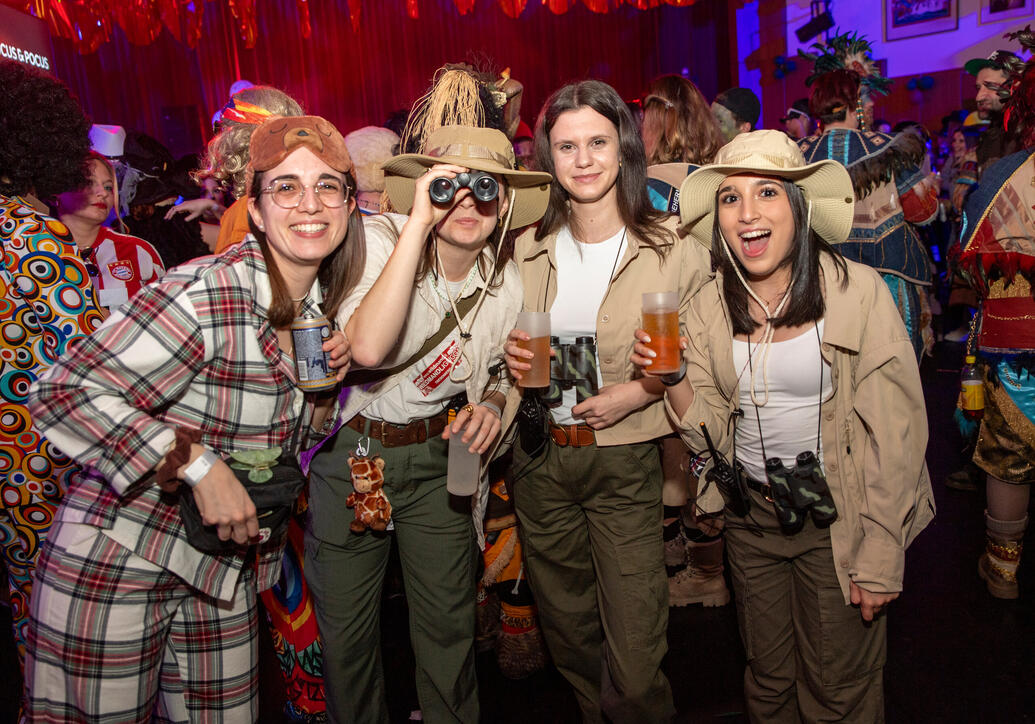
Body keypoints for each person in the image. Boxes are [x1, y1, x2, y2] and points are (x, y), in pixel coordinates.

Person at [24, 115, 361, 721]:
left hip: (222, 567)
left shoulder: (316, 314)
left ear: (348, 204)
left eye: (328, 186)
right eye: (286, 187)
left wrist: (322, 393)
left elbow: (287, 444)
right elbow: (64, 391)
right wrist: (198, 464)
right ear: (254, 210)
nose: (309, 204)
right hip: (121, 554)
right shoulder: (207, 291)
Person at [634, 129, 934, 721]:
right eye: (729, 198)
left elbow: (896, 438)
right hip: (753, 519)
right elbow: (711, 435)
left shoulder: (857, 293)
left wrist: (880, 552)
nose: (747, 214)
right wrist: (673, 380)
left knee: (837, 688)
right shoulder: (706, 306)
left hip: (839, 516)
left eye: (767, 192)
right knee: (768, 683)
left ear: (798, 207)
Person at [304, 125, 550, 723]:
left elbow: (504, 372)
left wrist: (493, 403)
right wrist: (417, 225)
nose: (467, 203)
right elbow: (365, 348)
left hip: (441, 462)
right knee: (349, 639)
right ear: (423, 190)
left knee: (448, 629)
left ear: (506, 201)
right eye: (449, 188)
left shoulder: (507, 282)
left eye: (485, 189)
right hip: (351, 457)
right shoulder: (373, 244)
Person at [502, 79, 712, 722]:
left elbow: (697, 360)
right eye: (567, 146)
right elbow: (506, 350)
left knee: (636, 626)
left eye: (598, 142)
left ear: (624, 149)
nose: (584, 159)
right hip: (539, 459)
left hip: (623, 460)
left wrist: (639, 391)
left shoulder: (671, 247)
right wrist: (509, 368)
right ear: (548, 158)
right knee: (566, 622)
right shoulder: (526, 247)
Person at [0, 60, 101, 668]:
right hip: (49, 455)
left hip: (8, 458)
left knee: (26, 601)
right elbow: (90, 360)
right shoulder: (38, 238)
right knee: (72, 609)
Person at [639, 73, 730, 608]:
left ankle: (699, 570)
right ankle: (699, 559)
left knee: (670, 442)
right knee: (704, 437)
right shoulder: (718, 180)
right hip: (718, 321)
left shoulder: (640, 185)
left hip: (665, 320)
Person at [800, 39, 940, 359]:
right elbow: (923, 211)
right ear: (855, 106)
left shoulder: (796, 154)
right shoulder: (887, 148)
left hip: (819, 280)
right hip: (886, 277)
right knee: (891, 371)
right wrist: (930, 187)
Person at [957, 31, 1035, 599]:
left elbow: (968, 262)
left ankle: (1004, 570)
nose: (982, 95)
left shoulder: (1006, 173)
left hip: (1018, 330)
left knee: (1010, 452)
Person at [54, 151, 165, 315]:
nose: (103, 193)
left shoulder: (137, 251)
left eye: (108, 187)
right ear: (55, 189)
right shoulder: (34, 251)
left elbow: (164, 320)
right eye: (89, 183)